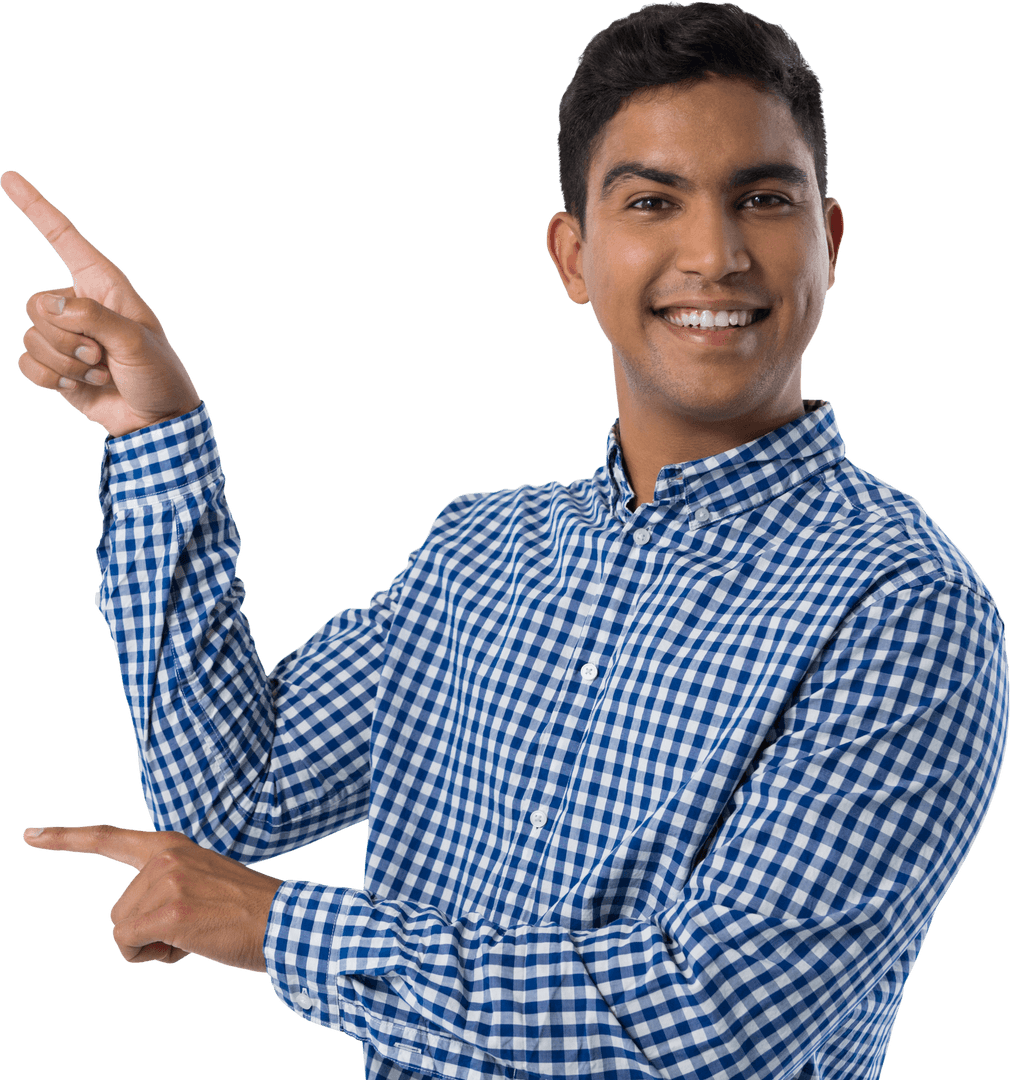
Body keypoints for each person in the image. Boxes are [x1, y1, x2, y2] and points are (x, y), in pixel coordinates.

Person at [7, 3, 1006, 1078]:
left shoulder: (900, 605)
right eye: (651, 201)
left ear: (829, 240)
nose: (713, 254)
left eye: (762, 199)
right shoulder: (477, 553)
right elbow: (232, 800)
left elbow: (707, 1018)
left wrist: (283, 930)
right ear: (572, 255)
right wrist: (157, 439)